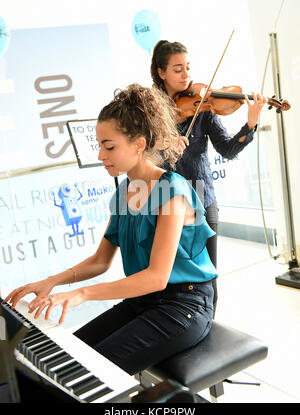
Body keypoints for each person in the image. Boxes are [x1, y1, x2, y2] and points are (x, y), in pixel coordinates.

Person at [5, 84, 218, 376]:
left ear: (139, 144)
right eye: (99, 146)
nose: (101, 155)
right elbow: (100, 261)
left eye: (109, 146)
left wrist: (82, 294)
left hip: (183, 305)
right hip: (143, 302)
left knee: (83, 373)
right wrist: (51, 281)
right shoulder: (124, 192)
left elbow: (157, 278)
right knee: (64, 358)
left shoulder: (173, 190)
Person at [150, 40, 267, 314]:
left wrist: (250, 123)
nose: (186, 74)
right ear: (161, 72)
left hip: (203, 197)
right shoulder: (151, 113)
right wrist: (163, 144)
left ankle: (207, 321)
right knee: (171, 273)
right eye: (178, 69)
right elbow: (143, 154)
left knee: (208, 271)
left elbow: (227, 149)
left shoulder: (204, 107)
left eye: (187, 67)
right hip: (166, 201)